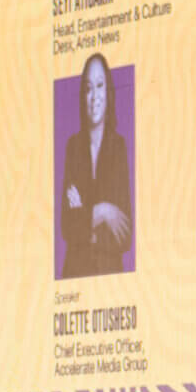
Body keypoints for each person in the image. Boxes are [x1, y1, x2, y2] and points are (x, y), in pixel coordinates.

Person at [60, 53, 134, 278]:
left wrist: (85, 216)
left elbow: (124, 237)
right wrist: (102, 211)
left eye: (100, 86)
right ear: (83, 96)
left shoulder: (118, 147)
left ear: (109, 92)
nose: (94, 97)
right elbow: (67, 227)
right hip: (75, 275)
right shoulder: (73, 148)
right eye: (88, 88)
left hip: (110, 276)